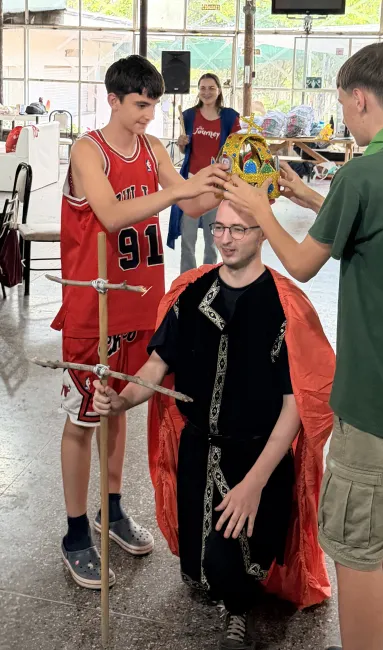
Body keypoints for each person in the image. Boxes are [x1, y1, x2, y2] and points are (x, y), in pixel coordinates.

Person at [222, 43, 383, 650]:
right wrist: (306, 197)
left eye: (343, 105)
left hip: (379, 403)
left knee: (357, 553)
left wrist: (258, 208)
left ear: (358, 98)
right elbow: (381, 227)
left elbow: (303, 263)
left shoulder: (362, 174)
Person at [93, 200, 336, 650]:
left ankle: (239, 609)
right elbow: (158, 364)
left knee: (236, 569)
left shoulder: (284, 307)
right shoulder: (192, 294)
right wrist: (122, 400)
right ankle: (221, 582)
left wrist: (254, 484)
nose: (225, 239)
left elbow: (295, 406)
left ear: (262, 233)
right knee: (199, 571)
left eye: (239, 230)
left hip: (257, 456)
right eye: (219, 228)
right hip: (198, 452)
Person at [50, 54, 229, 590]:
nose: (148, 115)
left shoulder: (152, 149)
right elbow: (110, 214)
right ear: (113, 100)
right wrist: (180, 190)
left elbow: (191, 202)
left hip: (140, 306)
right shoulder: (88, 150)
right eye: (140, 105)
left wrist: (228, 182)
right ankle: (75, 533)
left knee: (119, 408)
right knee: (84, 418)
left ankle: (110, 509)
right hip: (95, 309)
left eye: (153, 106)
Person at [167, 73, 240, 273]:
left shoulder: (229, 117)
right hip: (191, 184)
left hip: (216, 186)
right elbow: (186, 151)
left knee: (213, 238)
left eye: (211, 88)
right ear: (198, 91)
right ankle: (187, 280)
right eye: (202, 88)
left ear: (219, 91)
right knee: (188, 238)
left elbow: (236, 150)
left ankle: (209, 277)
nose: (206, 92)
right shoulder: (189, 116)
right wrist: (182, 144)